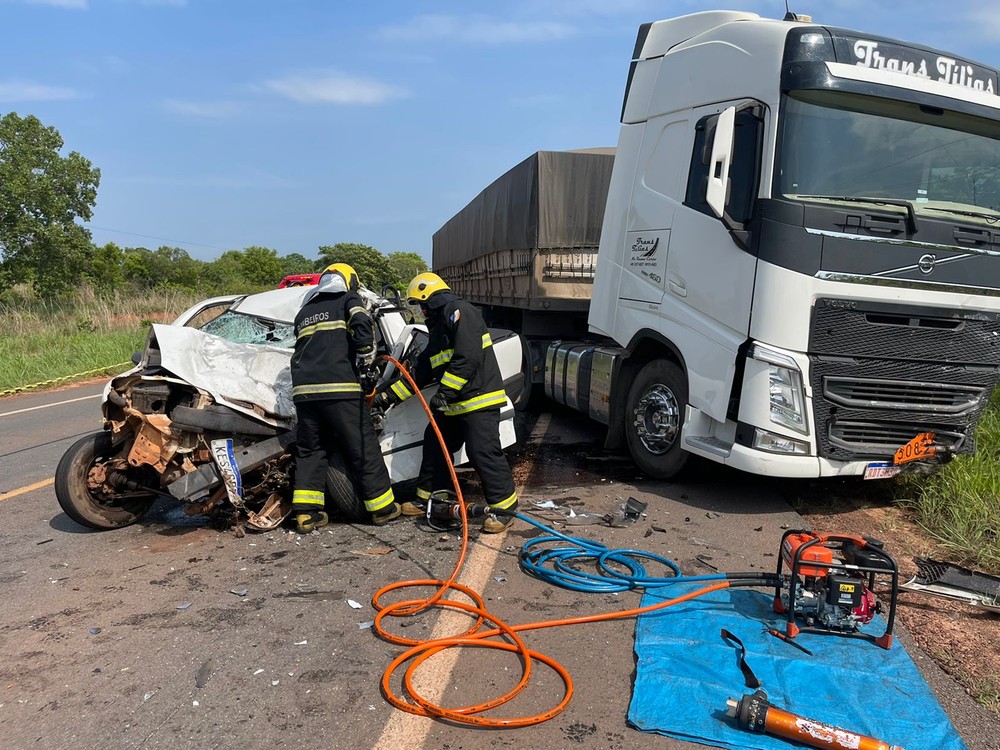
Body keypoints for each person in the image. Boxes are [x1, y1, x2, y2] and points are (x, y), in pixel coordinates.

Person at [374, 272, 518, 533]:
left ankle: (504, 508)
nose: (421, 310)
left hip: (478, 400)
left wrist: (445, 393)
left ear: (431, 297)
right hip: (454, 405)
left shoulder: (460, 312)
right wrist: (387, 397)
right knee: (434, 445)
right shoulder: (439, 326)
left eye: (421, 304)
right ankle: (430, 499)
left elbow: (467, 358)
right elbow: (422, 370)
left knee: (481, 451)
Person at [289, 263, 400, 532]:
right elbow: (361, 323)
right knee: (361, 446)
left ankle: (306, 514)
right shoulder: (348, 299)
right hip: (340, 388)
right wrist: (365, 361)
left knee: (311, 449)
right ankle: (382, 509)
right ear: (349, 281)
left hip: (304, 393)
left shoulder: (305, 310)